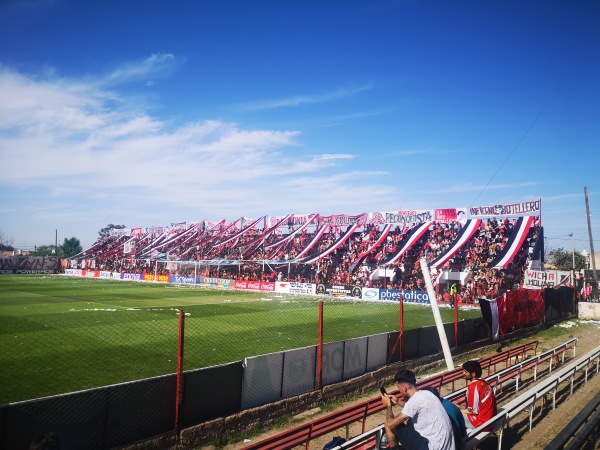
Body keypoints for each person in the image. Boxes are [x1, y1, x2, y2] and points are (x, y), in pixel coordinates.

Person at [380, 369, 455, 450]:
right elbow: (415, 408)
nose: (399, 390)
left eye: (398, 387)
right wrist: (398, 401)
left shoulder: (414, 401)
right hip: (446, 445)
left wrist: (388, 405)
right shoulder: (427, 393)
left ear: (404, 388)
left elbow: (391, 424)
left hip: (432, 446)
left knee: (388, 425)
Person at [460, 360, 497, 430]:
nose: (463, 373)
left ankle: (462, 439)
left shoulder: (473, 387)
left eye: (465, 371)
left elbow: (472, 411)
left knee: (454, 414)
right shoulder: (484, 382)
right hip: (491, 420)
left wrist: (457, 410)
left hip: (483, 424)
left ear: (473, 374)